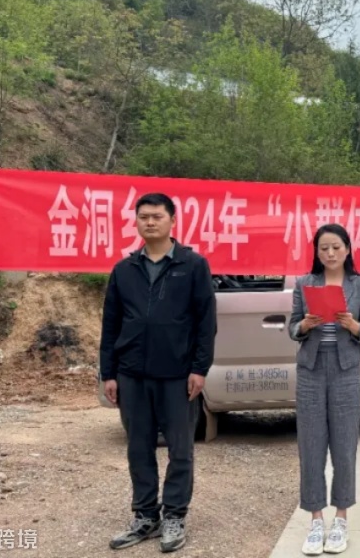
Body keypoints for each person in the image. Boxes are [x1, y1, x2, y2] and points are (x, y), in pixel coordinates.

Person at [98, 192, 217, 553]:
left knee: (180, 449)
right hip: (132, 374)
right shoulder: (124, 270)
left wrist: (199, 368)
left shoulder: (192, 265)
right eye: (144, 217)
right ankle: (145, 515)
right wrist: (109, 373)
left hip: (177, 375)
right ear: (136, 222)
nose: (150, 222)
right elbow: (111, 325)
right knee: (138, 447)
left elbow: (205, 323)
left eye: (157, 216)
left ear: (172, 221)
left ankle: (175, 515)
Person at [288, 224, 360, 555]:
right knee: (310, 446)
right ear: (317, 252)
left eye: (336, 247)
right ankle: (315, 521)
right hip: (311, 370)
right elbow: (292, 328)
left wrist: (353, 326)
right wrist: (304, 325)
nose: (330, 253)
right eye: (324, 248)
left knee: (344, 446)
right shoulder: (304, 283)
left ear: (348, 249)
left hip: (345, 370)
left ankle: (341, 519)